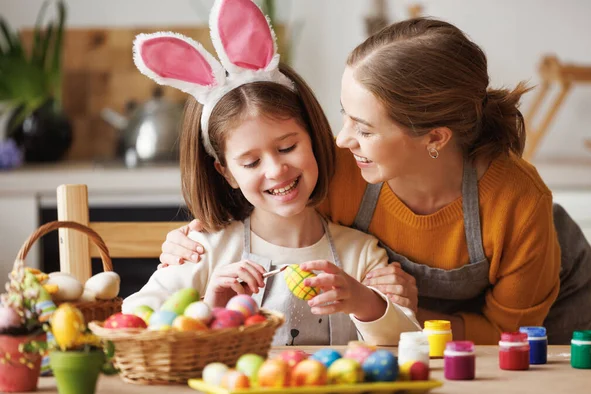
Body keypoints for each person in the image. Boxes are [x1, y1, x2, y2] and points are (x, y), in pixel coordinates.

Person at [158, 17, 591, 345]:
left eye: (365, 128)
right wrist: (191, 239)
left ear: (434, 138)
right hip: (408, 334)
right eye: (345, 115)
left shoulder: (516, 200)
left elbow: (508, 333)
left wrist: (387, 308)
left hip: (537, 324)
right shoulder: (339, 166)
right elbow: (265, 208)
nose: (342, 138)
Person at [122, 0, 420, 347]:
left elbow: (411, 340)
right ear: (226, 173)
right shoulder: (204, 250)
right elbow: (132, 321)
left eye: (287, 148)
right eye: (250, 163)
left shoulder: (361, 253)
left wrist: (363, 300)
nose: (277, 170)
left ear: (313, 136)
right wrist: (208, 310)